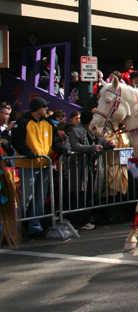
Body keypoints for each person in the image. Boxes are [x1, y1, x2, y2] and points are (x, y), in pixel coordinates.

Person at [10, 98, 61, 235]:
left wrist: (64, 150)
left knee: (40, 198)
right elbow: (17, 141)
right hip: (28, 166)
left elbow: (55, 142)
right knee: (25, 198)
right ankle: (16, 227)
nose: (47, 109)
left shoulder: (48, 123)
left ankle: (35, 225)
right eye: (45, 107)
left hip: (44, 166)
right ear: (38, 108)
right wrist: (28, 152)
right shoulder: (23, 122)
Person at [69, 110, 114, 230]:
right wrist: (92, 148)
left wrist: (109, 144)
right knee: (81, 194)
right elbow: (75, 146)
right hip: (81, 167)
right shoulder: (75, 131)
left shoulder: (95, 130)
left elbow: (102, 142)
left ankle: (86, 219)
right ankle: (78, 221)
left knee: (89, 194)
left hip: (93, 167)